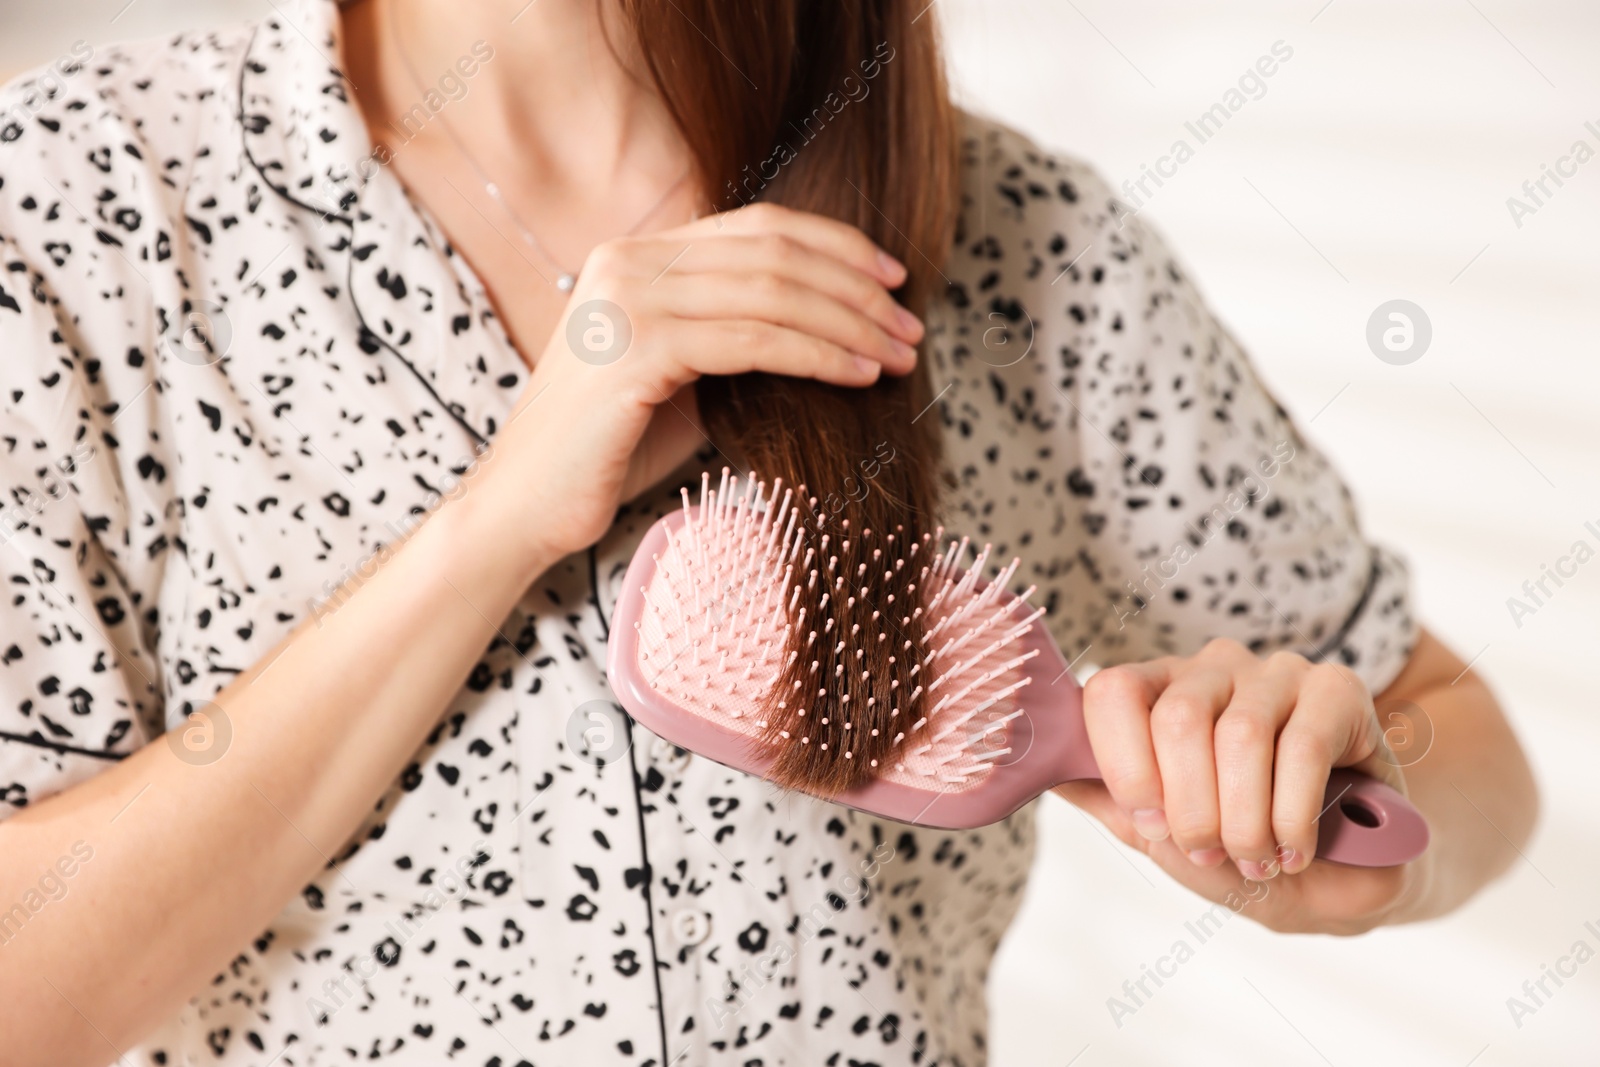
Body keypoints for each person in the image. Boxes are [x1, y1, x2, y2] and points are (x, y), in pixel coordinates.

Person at [0, 1, 1537, 1064]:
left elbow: (1466, 756)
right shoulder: (79, 208)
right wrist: (498, 527)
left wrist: (1349, 838)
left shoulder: (1023, 248)